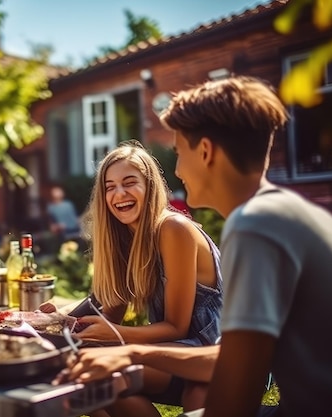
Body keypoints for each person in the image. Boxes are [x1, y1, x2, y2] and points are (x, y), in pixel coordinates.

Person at [56, 76, 332, 417]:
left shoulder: (257, 225)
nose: (176, 170)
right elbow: (235, 357)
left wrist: (130, 351)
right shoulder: (279, 213)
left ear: (205, 151)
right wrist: (130, 352)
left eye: (178, 153)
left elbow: (237, 386)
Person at [45, 141, 223, 417]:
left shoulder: (173, 228)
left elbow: (177, 327)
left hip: (212, 349)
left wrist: (116, 337)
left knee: (105, 374)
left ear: (150, 185)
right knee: (85, 371)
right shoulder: (127, 238)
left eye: (130, 183)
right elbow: (110, 307)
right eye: (110, 187)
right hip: (171, 348)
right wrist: (57, 320)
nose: (119, 194)